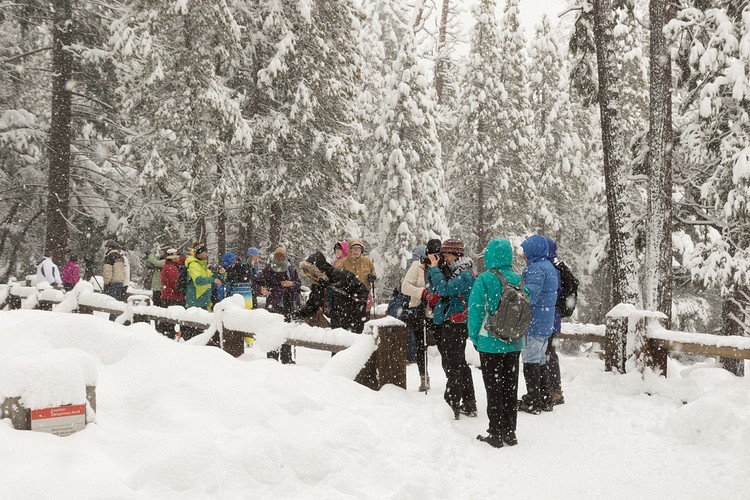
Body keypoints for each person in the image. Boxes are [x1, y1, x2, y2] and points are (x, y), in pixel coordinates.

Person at [469, 238, 525, 448]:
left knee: (494, 388)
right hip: (514, 342)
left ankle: (495, 432)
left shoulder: (485, 279)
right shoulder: (518, 279)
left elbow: (476, 310)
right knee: (510, 387)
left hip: (490, 342)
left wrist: (474, 337)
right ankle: (510, 432)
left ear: (490, 256)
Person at [425, 238, 477, 420]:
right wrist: (433, 269)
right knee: (458, 362)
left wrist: (434, 269)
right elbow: (433, 287)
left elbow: (444, 289)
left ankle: (451, 403)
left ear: (456, 255)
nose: (444, 258)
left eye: (446, 254)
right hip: (449, 321)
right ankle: (469, 402)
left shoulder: (465, 274)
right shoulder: (452, 271)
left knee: (453, 364)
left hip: (457, 323)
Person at [517, 234, 559, 415]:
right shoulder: (548, 267)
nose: (523, 255)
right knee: (540, 360)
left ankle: (533, 401)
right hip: (545, 321)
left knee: (530, 360)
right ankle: (545, 398)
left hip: (534, 322)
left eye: (526, 251)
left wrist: (515, 292)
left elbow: (529, 296)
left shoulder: (536, 269)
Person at [289, 251, 369, 333]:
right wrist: (297, 315)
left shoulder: (341, 275)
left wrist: (360, 308)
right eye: (310, 276)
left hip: (353, 321)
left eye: (314, 274)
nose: (313, 278)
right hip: (336, 325)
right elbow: (312, 305)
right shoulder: (318, 286)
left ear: (320, 270)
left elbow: (361, 289)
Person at [255, 246, 302, 363]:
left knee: (286, 330)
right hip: (274, 304)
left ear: (286, 255)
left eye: (282, 254)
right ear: (274, 254)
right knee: (273, 331)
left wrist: (291, 283)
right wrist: (261, 290)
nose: (279, 256)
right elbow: (255, 282)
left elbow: (298, 283)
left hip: (288, 303)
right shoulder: (269, 268)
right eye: (278, 254)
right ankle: (272, 359)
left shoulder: (291, 268)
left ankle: (287, 359)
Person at [400, 243, 432, 392]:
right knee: (421, 345)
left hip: (435, 311)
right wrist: (422, 292)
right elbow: (405, 287)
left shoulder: (439, 266)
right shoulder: (416, 266)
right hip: (418, 310)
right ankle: (423, 376)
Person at [183, 243, 224, 341]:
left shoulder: (202, 265)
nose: (207, 254)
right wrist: (212, 279)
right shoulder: (194, 265)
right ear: (199, 253)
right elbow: (199, 280)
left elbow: (210, 276)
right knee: (194, 331)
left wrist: (218, 274)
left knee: (201, 331)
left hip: (203, 301)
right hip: (195, 301)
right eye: (205, 252)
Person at [336, 239, 377, 311]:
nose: (356, 251)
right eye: (354, 249)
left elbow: (373, 272)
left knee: (364, 314)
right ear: (350, 250)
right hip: (349, 297)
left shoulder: (367, 261)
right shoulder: (343, 262)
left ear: (362, 250)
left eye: (358, 249)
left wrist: (372, 276)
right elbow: (336, 275)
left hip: (364, 296)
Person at [159, 248, 184, 339]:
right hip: (172, 297)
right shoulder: (172, 268)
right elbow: (174, 283)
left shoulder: (167, 266)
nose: (179, 259)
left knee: (167, 321)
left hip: (167, 295)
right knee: (171, 321)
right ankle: (170, 337)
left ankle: (167, 335)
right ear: (173, 259)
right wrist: (181, 291)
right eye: (177, 257)